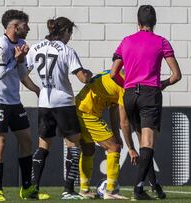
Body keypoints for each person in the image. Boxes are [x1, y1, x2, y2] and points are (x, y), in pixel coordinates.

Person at [110, 5, 182, 200]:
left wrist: (128, 86)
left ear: (138, 22)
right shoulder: (161, 42)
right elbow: (176, 75)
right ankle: (138, 189)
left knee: (144, 144)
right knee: (148, 143)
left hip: (130, 95)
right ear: (155, 22)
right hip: (150, 94)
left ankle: (155, 186)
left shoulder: (125, 42)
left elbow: (113, 73)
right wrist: (163, 84)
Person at [26, 17, 92, 200]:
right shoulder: (66, 50)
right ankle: (68, 190)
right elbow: (82, 78)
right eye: (70, 33)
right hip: (63, 103)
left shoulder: (35, 48)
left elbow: (22, 73)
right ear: (65, 32)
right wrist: (89, 74)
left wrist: (36, 89)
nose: (70, 37)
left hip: (44, 104)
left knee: (43, 146)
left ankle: (33, 188)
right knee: (73, 145)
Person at [0, 9, 47, 201]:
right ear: (14, 26)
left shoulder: (20, 44)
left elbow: (20, 74)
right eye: (25, 25)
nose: (28, 28)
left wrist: (37, 89)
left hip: (14, 101)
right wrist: (17, 59)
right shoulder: (0, 46)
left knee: (26, 139)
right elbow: (0, 73)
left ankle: (27, 188)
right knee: (0, 143)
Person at [76, 70, 139, 200]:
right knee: (114, 148)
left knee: (88, 150)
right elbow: (124, 122)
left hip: (79, 108)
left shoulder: (113, 75)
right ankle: (110, 191)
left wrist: (117, 135)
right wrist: (131, 148)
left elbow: (113, 110)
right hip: (88, 113)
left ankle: (84, 189)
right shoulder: (124, 84)